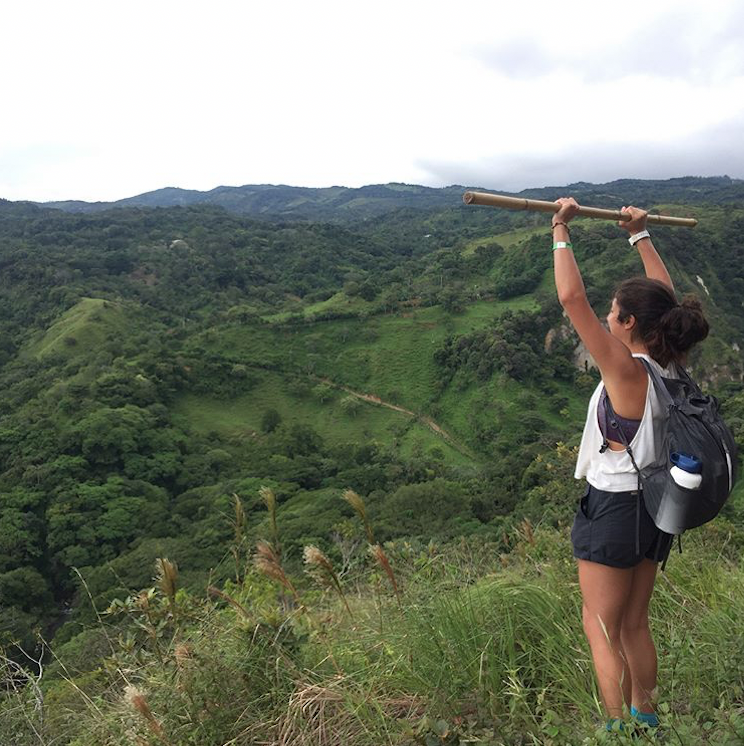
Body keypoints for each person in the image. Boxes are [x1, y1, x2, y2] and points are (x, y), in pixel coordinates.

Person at [550, 198, 709, 733]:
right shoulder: (666, 361)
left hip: (615, 506)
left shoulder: (624, 370)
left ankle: (618, 731)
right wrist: (639, 235)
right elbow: (662, 298)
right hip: (656, 508)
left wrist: (560, 227)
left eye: (614, 312)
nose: (608, 318)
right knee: (634, 623)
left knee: (600, 628)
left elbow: (571, 299)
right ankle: (647, 717)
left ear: (628, 322)